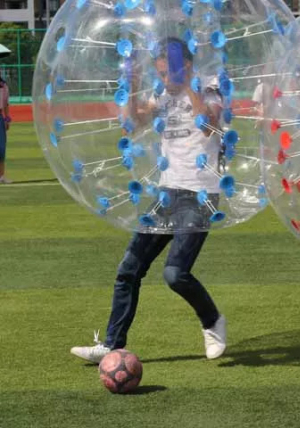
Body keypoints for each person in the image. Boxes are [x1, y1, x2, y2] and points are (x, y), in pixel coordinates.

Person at [70, 37, 226, 363]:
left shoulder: (209, 87)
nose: (165, 80)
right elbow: (133, 125)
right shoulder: (162, 95)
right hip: (168, 191)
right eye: (161, 74)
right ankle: (112, 345)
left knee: (175, 274)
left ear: (186, 65)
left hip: (200, 194)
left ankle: (212, 321)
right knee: (129, 268)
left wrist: (186, 88)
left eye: (169, 73)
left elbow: (210, 126)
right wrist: (132, 87)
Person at [0, 76, 11, 184]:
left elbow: (6, 103)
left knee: (1, 148)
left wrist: (7, 119)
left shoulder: (3, 86)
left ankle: (1, 176)